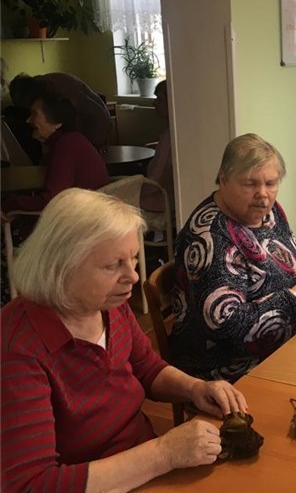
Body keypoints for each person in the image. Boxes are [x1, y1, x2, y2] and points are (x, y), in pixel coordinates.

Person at [1, 188, 248, 493]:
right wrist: (164, 454)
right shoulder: (17, 349)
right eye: (112, 265)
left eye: (132, 259)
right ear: (59, 266)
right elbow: (29, 485)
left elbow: (147, 368)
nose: (132, 276)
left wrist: (195, 388)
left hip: (142, 465)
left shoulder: (108, 304)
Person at [169, 134, 296, 382]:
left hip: (287, 343)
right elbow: (226, 328)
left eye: (271, 183)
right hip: (230, 371)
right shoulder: (212, 241)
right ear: (223, 179)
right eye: (250, 184)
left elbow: (292, 258)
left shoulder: (267, 212)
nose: (263, 194)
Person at [2, 88, 109, 214]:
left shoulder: (65, 147)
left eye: (34, 114)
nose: (28, 120)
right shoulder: (73, 139)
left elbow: (50, 201)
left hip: (81, 217)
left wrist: (8, 204)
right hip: (92, 212)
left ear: (57, 122)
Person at [9, 73, 112, 150]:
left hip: (94, 123)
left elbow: (69, 119)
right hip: (95, 118)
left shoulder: (54, 90)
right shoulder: (42, 83)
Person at [141, 80, 174, 213]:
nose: (154, 103)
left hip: (163, 198)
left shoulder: (169, 137)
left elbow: (156, 178)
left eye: (159, 99)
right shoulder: (171, 133)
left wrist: (136, 191)